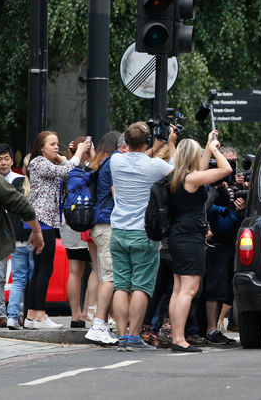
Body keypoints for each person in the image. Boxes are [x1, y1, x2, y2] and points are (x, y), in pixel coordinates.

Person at [110, 121, 176, 351]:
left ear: (126, 142)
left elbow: (135, 155)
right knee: (141, 286)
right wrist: (171, 144)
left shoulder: (115, 161)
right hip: (143, 232)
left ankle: (121, 337)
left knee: (120, 286)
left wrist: (149, 146)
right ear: (147, 142)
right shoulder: (155, 166)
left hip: (118, 231)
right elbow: (177, 172)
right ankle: (134, 337)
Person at [167, 132, 232, 352]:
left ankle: (176, 336)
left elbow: (202, 170)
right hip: (190, 238)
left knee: (178, 290)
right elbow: (226, 170)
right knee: (189, 289)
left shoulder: (177, 175)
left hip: (178, 236)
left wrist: (206, 143)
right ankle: (179, 339)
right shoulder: (192, 179)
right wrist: (214, 150)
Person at [25, 131, 91, 329]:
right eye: (52, 144)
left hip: (47, 222)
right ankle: (39, 316)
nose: (56, 146)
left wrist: (64, 156)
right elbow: (68, 169)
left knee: (41, 269)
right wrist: (79, 151)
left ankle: (32, 315)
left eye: (57, 143)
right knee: (44, 269)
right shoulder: (38, 162)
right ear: (41, 147)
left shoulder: (48, 163)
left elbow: (66, 168)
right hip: (42, 222)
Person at [0, 169, 45, 334]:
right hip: (28, 238)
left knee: (17, 280)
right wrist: (37, 231)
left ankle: (13, 316)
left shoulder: (14, 183)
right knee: (30, 277)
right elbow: (22, 206)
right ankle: (28, 314)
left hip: (16, 239)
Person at [84, 131, 123, 345]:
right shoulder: (113, 163)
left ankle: (103, 323)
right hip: (107, 224)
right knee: (109, 278)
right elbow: (117, 196)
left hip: (99, 225)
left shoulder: (100, 163)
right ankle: (98, 324)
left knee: (104, 275)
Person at [204, 146, 244, 346]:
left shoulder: (234, 186)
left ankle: (216, 327)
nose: (230, 167)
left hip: (232, 246)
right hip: (217, 244)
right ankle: (211, 329)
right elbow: (218, 223)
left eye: (233, 162)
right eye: (225, 162)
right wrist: (234, 211)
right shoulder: (211, 187)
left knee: (225, 289)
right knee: (215, 288)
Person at [62, 136, 98, 328]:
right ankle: (87, 312)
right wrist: (93, 157)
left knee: (74, 271)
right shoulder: (93, 167)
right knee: (96, 270)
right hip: (89, 222)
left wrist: (72, 155)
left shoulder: (69, 167)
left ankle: (75, 315)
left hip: (70, 222)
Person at [0, 143, 25, 328]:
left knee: (19, 276)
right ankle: (0, 315)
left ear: (12, 161)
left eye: (6, 159)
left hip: (17, 234)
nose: (3, 163)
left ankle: (18, 312)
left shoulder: (21, 180)